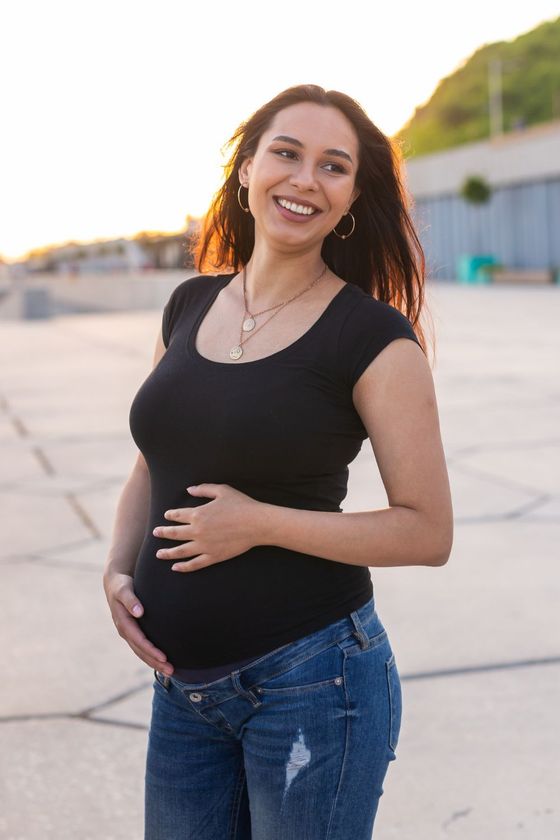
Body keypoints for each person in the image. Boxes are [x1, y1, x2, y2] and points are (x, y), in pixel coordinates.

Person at [103, 83, 453, 840]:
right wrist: (119, 571)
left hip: (314, 683)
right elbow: (149, 464)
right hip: (183, 691)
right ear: (246, 171)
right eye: (286, 154)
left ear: (353, 198)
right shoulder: (189, 304)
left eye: (333, 166)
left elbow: (427, 532)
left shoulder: (374, 339)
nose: (303, 179)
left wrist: (258, 523)